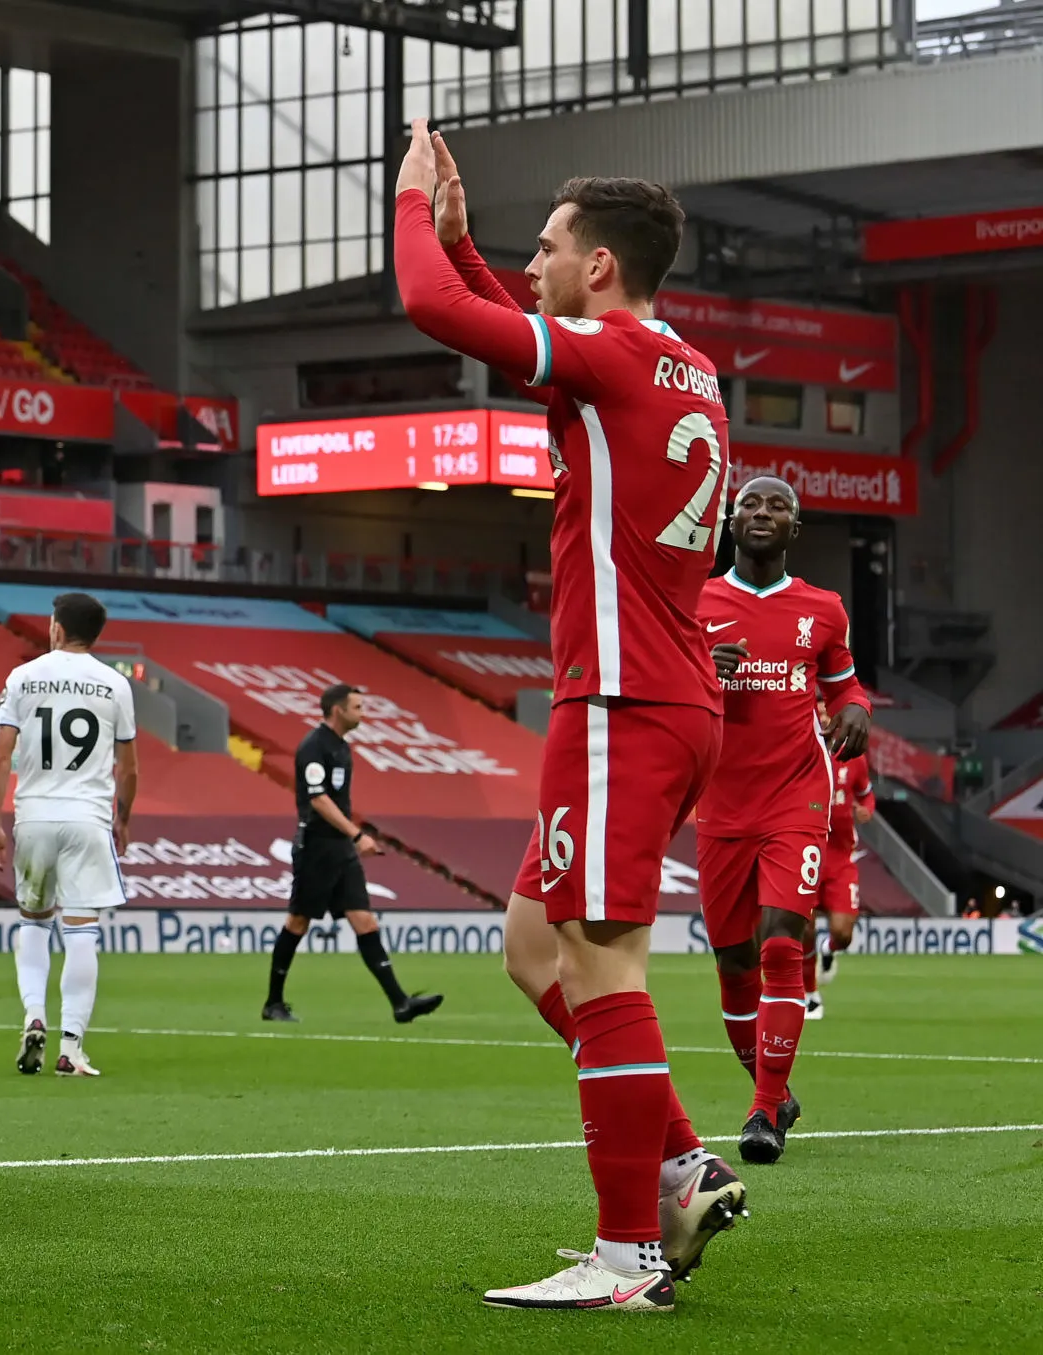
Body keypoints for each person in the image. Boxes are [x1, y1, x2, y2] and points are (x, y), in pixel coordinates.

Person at [395, 121, 742, 1309]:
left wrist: (410, 215)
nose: (530, 261)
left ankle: (627, 1251)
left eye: (543, 247)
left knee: (599, 961)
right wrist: (468, 249)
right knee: (529, 943)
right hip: (659, 693)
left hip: (620, 698)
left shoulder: (608, 358)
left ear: (597, 266)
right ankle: (682, 1160)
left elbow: (433, 311)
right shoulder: (672, 361)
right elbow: (525, 342)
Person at [699, 476, 870, 1164]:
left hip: (796, 794)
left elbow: (845, 685)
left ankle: (763, 1111)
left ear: (794, 529)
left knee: (779, 944)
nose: (761, 512)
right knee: (733, 960)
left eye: (777, 506)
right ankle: (773, 1086)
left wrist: (857, 708)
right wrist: (697, 670)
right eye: (750, 504)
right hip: (718, 800)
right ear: (730, 522)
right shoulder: (695, 602)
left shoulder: (823, 608)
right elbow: (660, 683)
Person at [0, 591, 138, 1078]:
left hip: (34, 817)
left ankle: (33, 1016)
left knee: (33, 923)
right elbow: (129, 768)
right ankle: (71, 1047)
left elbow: (1, 756)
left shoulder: (24, 676)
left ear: (55, 627)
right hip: (88, 817)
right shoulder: (115, 685)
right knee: (82, 931)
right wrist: (123, 817)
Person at [261, 683, 442, 1026]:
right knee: (298, 921)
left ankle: (401, 1003)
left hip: (340, 849)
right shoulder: (314, 746)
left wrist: (350, 839)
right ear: (337, 710)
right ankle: (273, 1002)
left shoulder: (341, 748)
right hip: (316, 847)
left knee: (365, 921)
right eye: (357, 707)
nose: (363, 713)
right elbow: (318, 799)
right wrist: (357, 834)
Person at [811, 740, 874, 1015]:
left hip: (841, 860)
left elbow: (867, 795)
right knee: (801, 930)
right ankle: (810, 995)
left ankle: (829, 948)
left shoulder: (853, 758)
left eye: (827, 709)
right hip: (807, 853)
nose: (823, 715)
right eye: (819, 709)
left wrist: (866, 810)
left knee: (843, 932)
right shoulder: (802, 749)